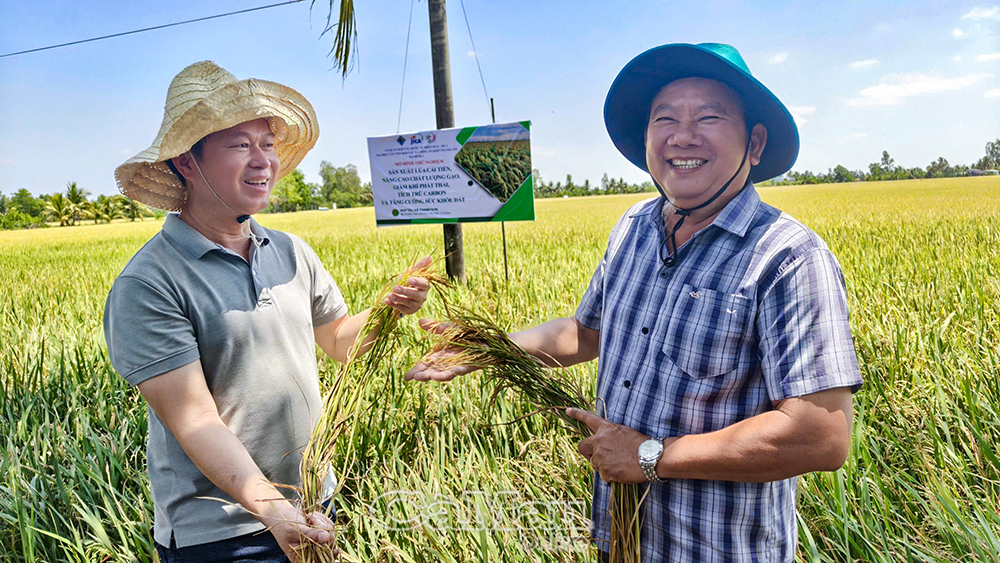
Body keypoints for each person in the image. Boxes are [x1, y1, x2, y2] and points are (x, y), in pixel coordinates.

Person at [405, 43, 862, 562]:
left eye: (709, 117)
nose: (682, 135)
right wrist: (487, 350)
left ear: (754, 143)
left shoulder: (787, 257)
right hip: (620, 535)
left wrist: (649, 457)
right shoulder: (634, 228)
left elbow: (820, 435)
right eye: (664, 118)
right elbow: (588, 332)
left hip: (715, 548)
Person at [104, 61, 431, 562]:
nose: (263, 161)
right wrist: (273, 511)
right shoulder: (150, 282)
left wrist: (390, 310)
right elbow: (195, 421)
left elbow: (340, 340)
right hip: (222, 533)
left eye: (268, 144)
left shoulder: (291, 251)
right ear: (185, 163)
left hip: (313, 507)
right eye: (239, 145)